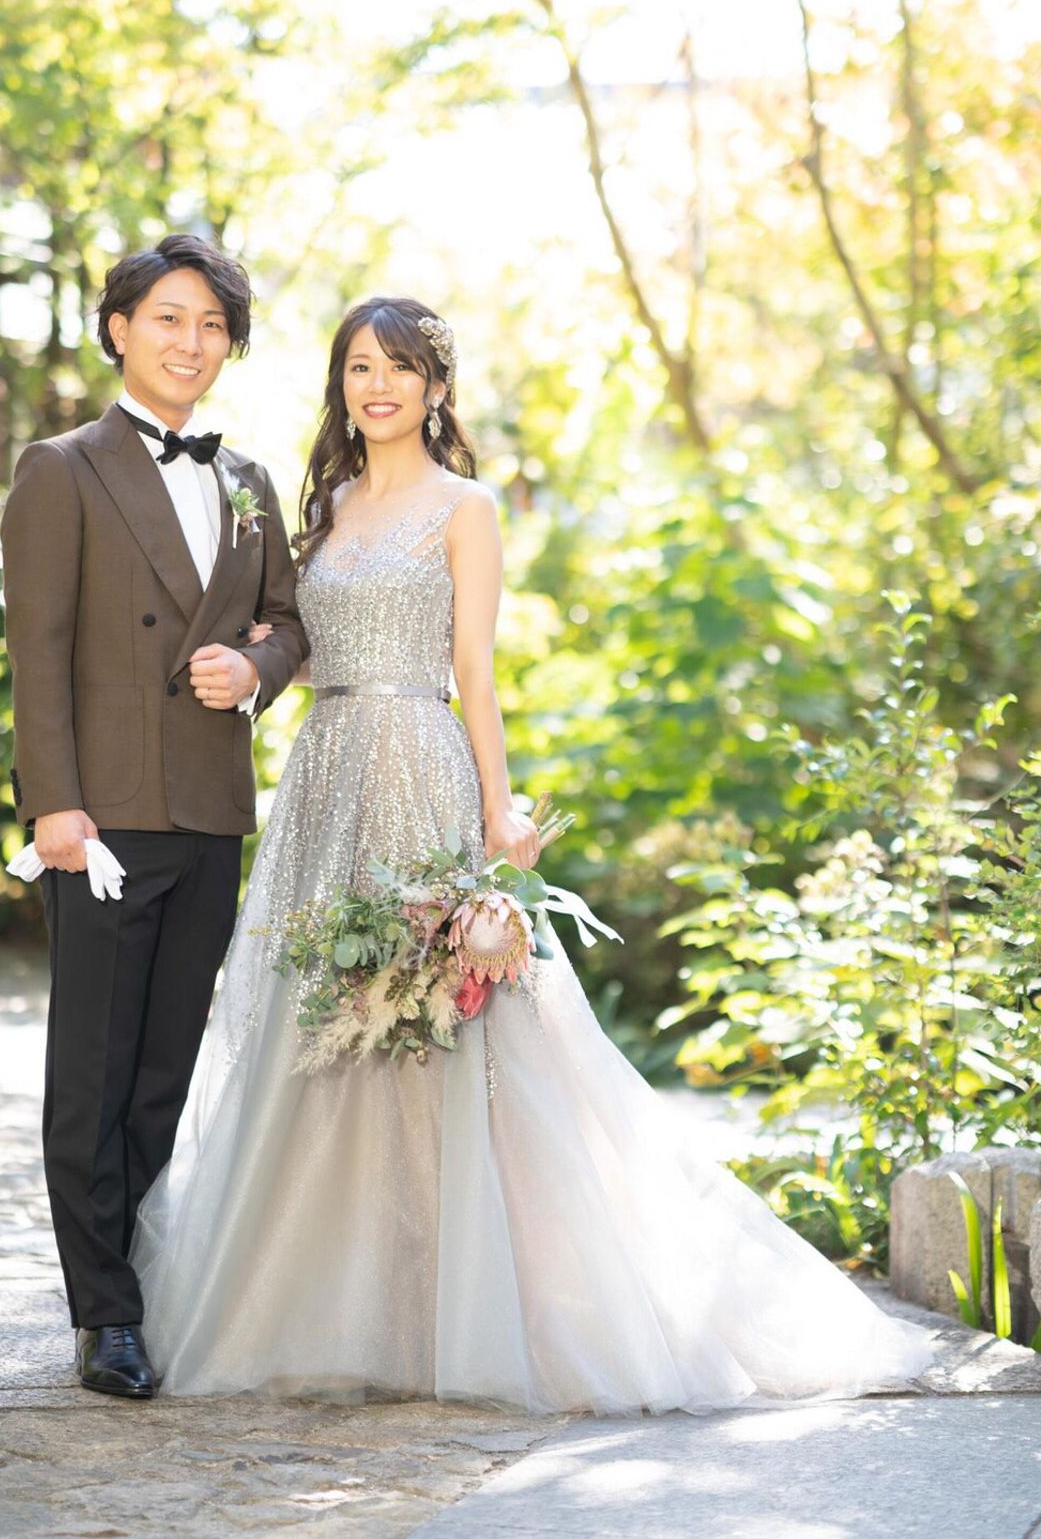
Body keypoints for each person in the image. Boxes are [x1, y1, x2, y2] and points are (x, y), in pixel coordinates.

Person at [130, 294, 931, 1412]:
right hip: (322, 777)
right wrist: (262, 659)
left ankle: (470, 1302)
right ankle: (338, 1301)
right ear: (340, 385)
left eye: (399, 368)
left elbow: (474, 667)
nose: (377, 386)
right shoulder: (325, 505)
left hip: (419, 765)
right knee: (323, 1022)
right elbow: (316, 646)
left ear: (435, 388)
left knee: (441, 1024)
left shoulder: (465, 507)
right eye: (359, 366)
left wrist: (498, 818)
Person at [0, 233, 306, 1399]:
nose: (191, 341)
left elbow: (289, 620)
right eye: (168, 318)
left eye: (212, 325)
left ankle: (137, 1278)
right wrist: (54, 805)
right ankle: (106, 1315)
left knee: (163, 1070)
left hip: (209, 808)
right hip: (103, 817)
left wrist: (254, 667)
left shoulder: (248, 480)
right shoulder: (61, 468)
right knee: (92, 1070)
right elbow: (37, 652)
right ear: (119, 328)